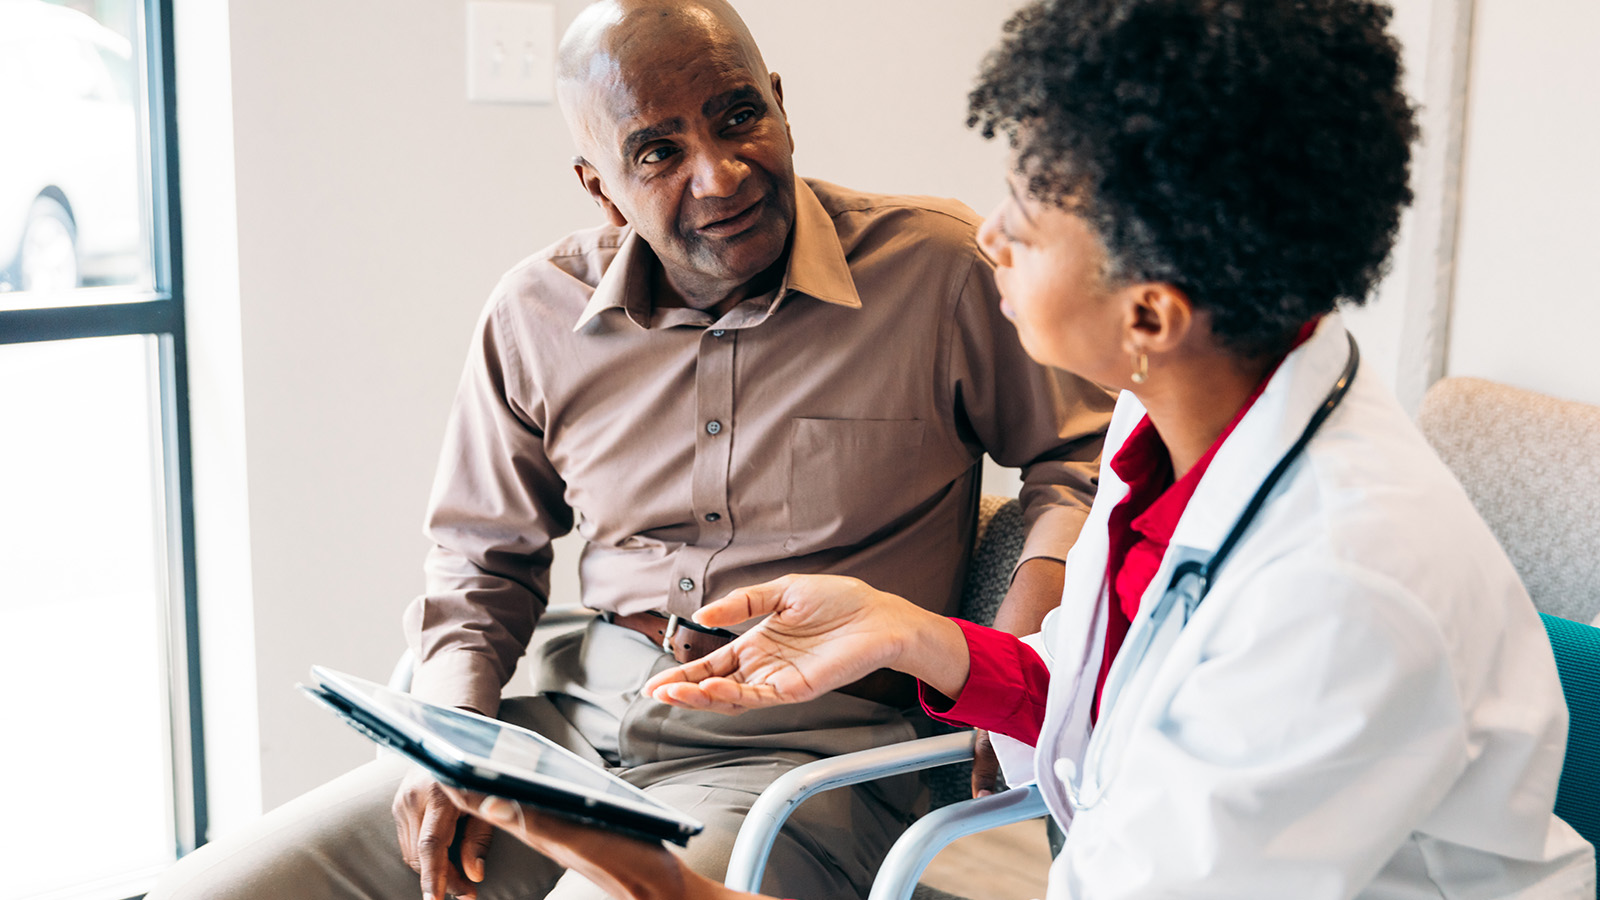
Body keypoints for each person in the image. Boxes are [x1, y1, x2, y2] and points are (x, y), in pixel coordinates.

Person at [431, 0, 1600, 897]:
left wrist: (666, 888)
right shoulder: (1174, 420)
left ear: (1146, 312)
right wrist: (924, 638)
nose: (982, 233)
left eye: (1026, 218)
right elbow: (1114, 708)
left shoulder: (1340, 600)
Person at [146, 2, 1112, 900]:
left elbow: (1081, 455)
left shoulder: (935, 271)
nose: (720, 172)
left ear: (779, 101)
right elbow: (481, 563)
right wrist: (440, 741)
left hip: (807, 756)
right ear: (599, 186)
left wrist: (1017, 639)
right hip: (567, 727)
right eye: (658, 150)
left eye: (739, 116)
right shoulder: (535, 313)